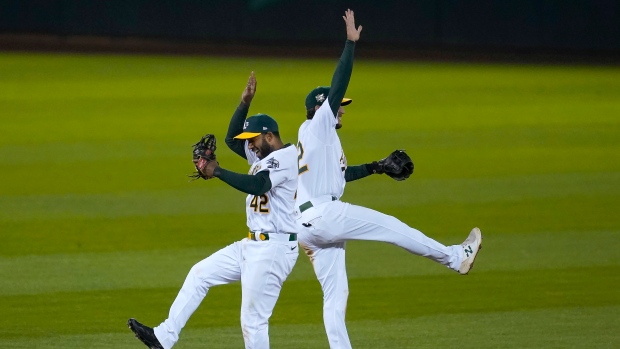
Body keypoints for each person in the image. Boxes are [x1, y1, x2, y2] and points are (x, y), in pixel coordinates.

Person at [295, 9, 483, 349]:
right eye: (339, 106)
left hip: (308, 225)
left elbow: (340, 175)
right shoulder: (318, 125)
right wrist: (350, 44)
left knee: (336, 298)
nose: (343, 109)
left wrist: (376, 166)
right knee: (393, 227)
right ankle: (456, 258)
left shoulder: (317, 140)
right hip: (324, 216)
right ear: (323, 108)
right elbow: (339, 83)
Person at [128, 72, 299, 349]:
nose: (250, 145)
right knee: (200, 273)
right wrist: (244, 103)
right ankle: (164, 336)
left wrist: (217, 171)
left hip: (273, 250)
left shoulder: (286, 158)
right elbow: (232, 140)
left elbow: (259, 184)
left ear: (269, 136)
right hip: (253, 244)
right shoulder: (264, 153)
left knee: (253, 322)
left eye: (254, 139)